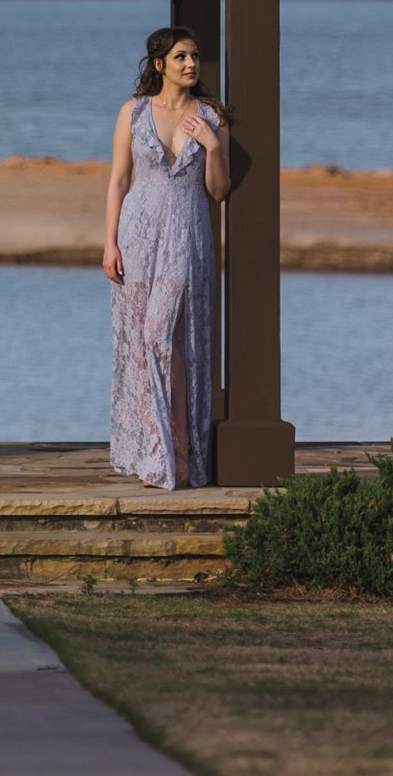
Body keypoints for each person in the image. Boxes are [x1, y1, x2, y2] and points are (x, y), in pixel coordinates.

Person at [101, 26, 230, 489]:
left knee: (165, 337)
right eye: (181, 57)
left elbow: (219, 191)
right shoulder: (132, 113)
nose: (191, 64)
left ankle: (175, 448)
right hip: (137, 235)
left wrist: (213, 147)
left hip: (187, 236)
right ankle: (153, 451)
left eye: (194, 56)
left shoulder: (211, 117)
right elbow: (118, 180)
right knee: (141, 343)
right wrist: (109, 242)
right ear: (160, 65)